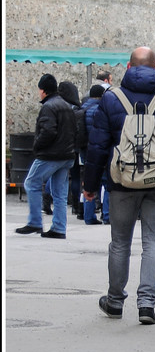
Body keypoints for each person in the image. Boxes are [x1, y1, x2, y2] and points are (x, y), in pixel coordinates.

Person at [83, 46, 155, 325]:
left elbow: (97, 147)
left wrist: (90, 185)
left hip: (121, 185)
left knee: (120, 243)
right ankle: (146, 305)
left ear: (128, 68)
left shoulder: (110, 100)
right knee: (153, 242)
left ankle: (115, 302)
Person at [15, 74, 76, 239]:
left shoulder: (49, 107)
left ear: (43, 90)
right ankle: (59, 228)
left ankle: (35, 221)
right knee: (59, 193)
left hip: (51, 155)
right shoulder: (66, 105)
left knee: (31, 182)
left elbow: (48, 131)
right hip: (67, 155)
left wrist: (37, 145)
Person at [82, 84, 110, 225]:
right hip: (99, 150)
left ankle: (88, 216)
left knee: (89, 184)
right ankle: (106, 215)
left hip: (84, 152)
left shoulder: (82, 109)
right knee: (106, 182)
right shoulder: (101, 110)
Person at [58, 81, 86, 221]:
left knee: (59, 177)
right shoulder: (78, 110)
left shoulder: (58, 107)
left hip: (61, 147)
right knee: (76, 177)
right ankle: (75, 205)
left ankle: (50, 201)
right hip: (75, 148)